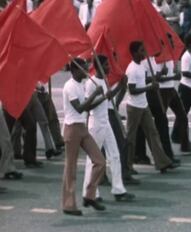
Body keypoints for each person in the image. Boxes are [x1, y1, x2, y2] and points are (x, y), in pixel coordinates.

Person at [81, 55, 135, 202]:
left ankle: (118, 190)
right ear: (98, 67)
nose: (108, 68)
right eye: (106, 65)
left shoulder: (104, 81)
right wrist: (104, 96)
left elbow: (109, 97)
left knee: (115, 155)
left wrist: (121, 86)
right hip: (96, 124)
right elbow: (88, 106)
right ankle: (91, 192)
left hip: (106, 122)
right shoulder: (91, 83)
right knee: (93, 160)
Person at [61, 58, 106, 216]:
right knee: (71, 169)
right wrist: (95, 93)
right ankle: (69, 205)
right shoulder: (69, 86)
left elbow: (88, 106)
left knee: (100, 161)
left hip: (82, 127)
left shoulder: (81, 85)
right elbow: (80, 108)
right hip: (72, 128)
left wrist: (102, 97)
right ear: (74, 70)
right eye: (83, 68)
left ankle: (89, 195)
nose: (86, 71)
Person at [125, 41, 174, 175]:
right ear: (134, 53)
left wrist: (154, 79)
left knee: (152, 133)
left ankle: (162, 162)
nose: (144, 53)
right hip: (134, 107)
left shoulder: (141, 66)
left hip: (144, 105)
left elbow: (143, 80)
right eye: (141, 50)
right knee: (131, 137)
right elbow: (132, 90)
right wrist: (150, 87)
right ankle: (127, 166)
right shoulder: (132, 68)